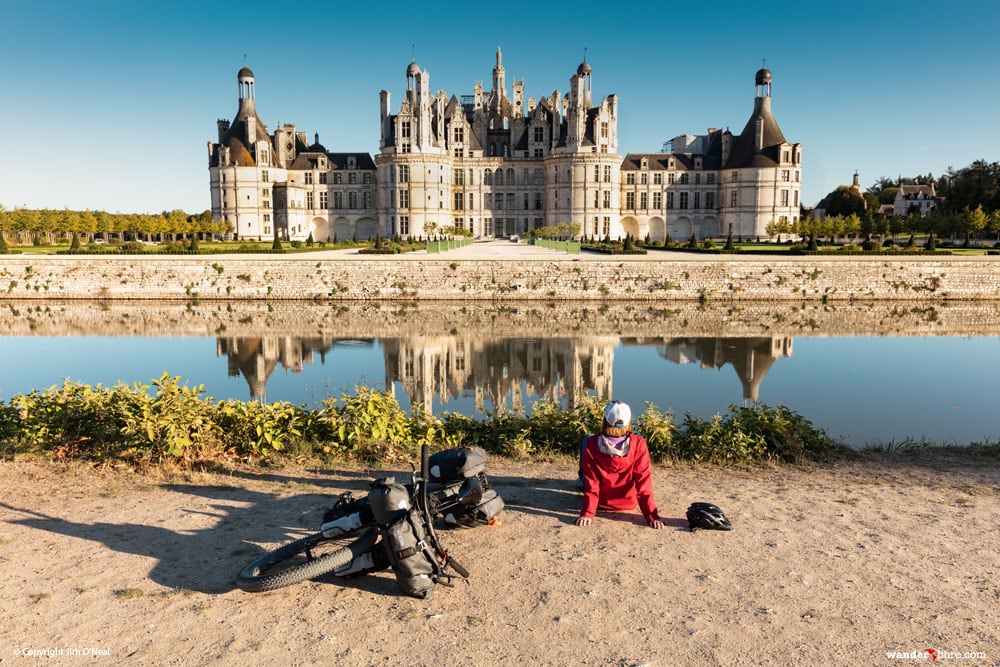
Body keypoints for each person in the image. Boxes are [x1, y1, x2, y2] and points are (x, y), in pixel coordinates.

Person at [576, 400, 663, 529]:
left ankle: (579, 481)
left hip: (601, 502)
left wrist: (587, 513)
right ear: (628, 422)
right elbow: (643, 482)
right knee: (641, 476)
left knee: (586, 439)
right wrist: (652, 515)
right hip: (628, 502)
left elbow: (592, 482)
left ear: (605, 420)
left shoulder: (592, 443)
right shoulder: (639, 443)